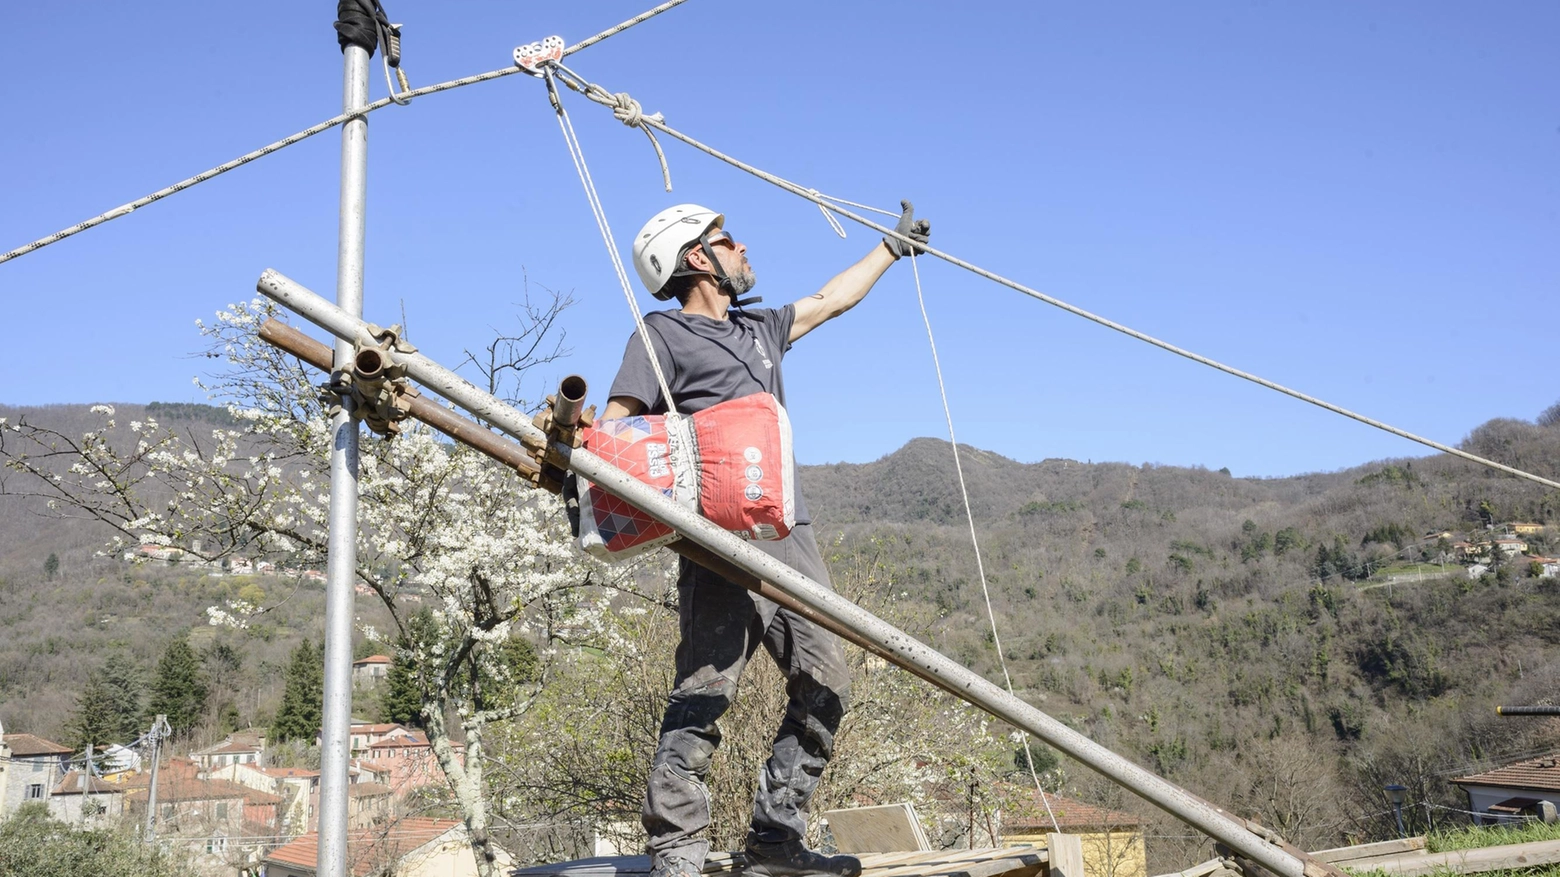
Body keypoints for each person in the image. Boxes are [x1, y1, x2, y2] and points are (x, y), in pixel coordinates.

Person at [602, 201, 931, 877]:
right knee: (705, 689)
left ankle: (775, 841)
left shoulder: (760, 327)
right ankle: (677, 849)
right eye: (727, 239)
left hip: (789, 534)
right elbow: (616, 428)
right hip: (715, 539)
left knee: (826, 682)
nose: (742, 245)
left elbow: (829, 300)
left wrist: (890, 248)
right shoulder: (660, 336)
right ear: (698, 257)